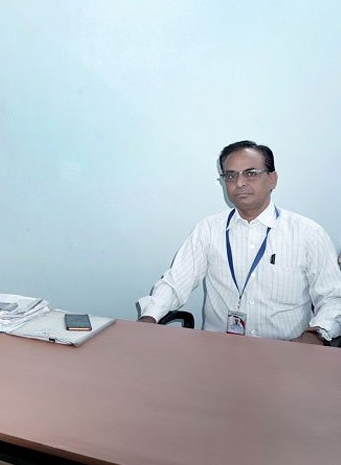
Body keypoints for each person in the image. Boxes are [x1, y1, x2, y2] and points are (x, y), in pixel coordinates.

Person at [137, 140, 341, 344]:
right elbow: (175, 283)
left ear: (272, 179)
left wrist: (315, 334)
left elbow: (333, 297)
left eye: (250, 173)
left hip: (286, 349)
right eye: (231, 175)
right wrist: (149, 318)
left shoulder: (308, 234)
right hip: (219, 349)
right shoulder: (209, 229)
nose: (240, 183)